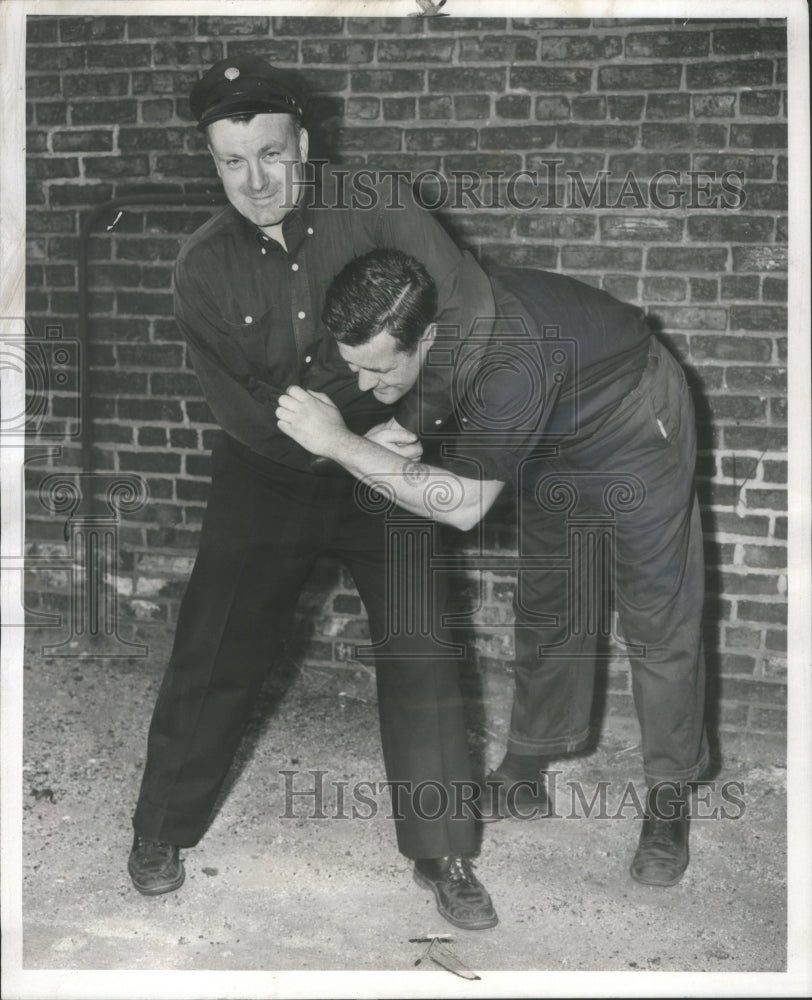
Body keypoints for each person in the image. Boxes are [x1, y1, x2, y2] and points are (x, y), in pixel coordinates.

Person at [128, 56, 500, 931]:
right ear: (211, 163)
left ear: (306, 141)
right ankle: (160, 830)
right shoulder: (201, 269)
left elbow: (469, 310)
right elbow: (246, 410)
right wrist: (343, 443)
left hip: (387, 457)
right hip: (272, 472)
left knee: (423, 647)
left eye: (270, 153)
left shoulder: (374, 201)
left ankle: (443, 852)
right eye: (231, 162)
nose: (255, 181)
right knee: (214, 649)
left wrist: (416, 421)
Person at [276, 248, 710, 888]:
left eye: (378, 369)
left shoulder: (508, 361)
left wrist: (339, 441)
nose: (364, 386)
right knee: (550, 601)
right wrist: (400, 424)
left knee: (656, 614)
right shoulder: (437, 306)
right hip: (554, 423)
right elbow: (442, 377)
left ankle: (669, 803)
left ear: (423, 336)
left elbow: (463, 507)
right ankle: (528, 773)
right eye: (354, 369)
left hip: (633, 422)